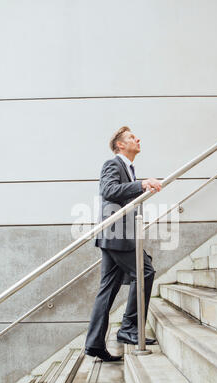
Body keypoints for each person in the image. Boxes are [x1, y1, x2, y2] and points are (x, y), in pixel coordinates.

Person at [85, 126, 162, 361]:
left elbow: (122, 194)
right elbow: (108, 190)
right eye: (131, 137)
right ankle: (129, 329)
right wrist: (141, 184)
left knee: (107, 289)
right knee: (145, 272)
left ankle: (95, 343)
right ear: (120, 145)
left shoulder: (128, 169)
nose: (137, 139)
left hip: (116, 236)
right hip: (116, 235)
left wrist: (141, 188)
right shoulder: (113, 164)